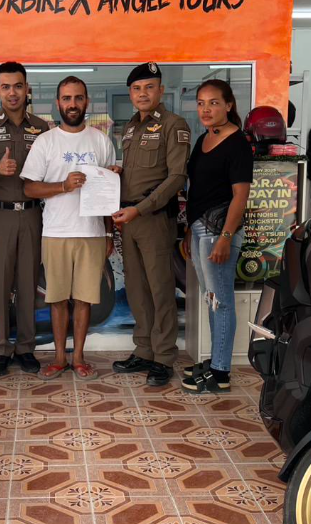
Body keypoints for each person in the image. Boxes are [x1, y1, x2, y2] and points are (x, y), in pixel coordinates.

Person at [20, 76, 116, 381]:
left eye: (78, 98)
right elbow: (29, 189)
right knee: (58, 299)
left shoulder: (101, 141)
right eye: (66, 98)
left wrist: (109, 232)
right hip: (56, 232)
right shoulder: (46, 141)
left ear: (86, 102)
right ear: (58, 103)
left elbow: (110, 192)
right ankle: (59, 358)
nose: (72, 104)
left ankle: (79, 359)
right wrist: (62, 185)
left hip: (92, 233)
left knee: (84, 299)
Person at [111, 63, 191, 387]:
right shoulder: (130, 127)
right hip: (129, 219)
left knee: (160, 290)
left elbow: (177, 177)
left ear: (161, 90)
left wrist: (140, 209)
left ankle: (164, 356)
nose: (142, 94)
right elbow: (136, 175)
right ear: (130, 93)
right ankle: (144, 350)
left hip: (154, 218)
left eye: (149, 87)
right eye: (136, 88)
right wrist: (115, 177)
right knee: (137, 289)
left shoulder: (174, 124)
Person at [0, 62, 49, 377]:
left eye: (18, 86)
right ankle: (2, 349)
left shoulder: (42, 128)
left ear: (26, 88)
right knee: (0, 282)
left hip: (32, 214)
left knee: (29, 281)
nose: (12, 92)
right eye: (5, 87)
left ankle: (26, 348)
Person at [182, 79, 252, 393]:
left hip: (218, 231)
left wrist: (225, 237)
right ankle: (215, 361)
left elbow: (240, 196)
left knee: (221, 301)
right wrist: (189, 229)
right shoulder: (204, 139)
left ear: (228, 105)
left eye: (213, 102)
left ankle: (220, 372)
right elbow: (198, 189)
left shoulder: (238, 143)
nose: (206, 109)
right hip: (199, 228)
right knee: (211, 299)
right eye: (201, 103)